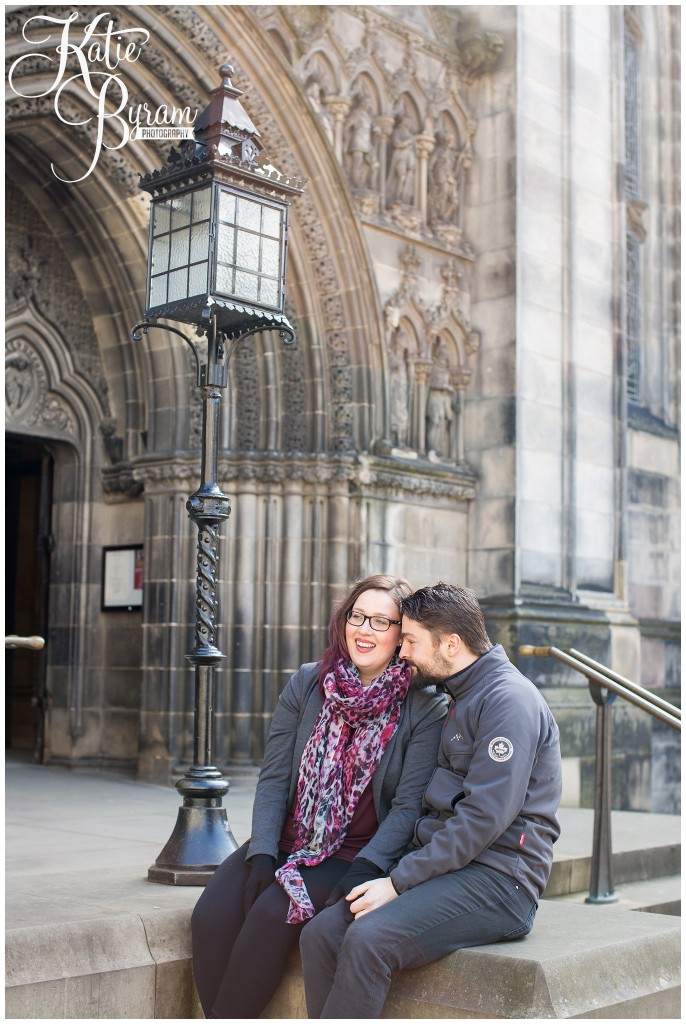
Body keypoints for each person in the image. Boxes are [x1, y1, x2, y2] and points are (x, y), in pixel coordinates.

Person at [300, 582, 563, 1019]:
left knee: (370, 939)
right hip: (449, 867)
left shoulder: (507, 701)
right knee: (322, 933)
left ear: (451, 644)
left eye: (410, 641)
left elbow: (482, 819)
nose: (401, 652)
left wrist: (399, 882)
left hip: (501, 881)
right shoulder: (460, 693)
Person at [191, 574, 447, 1019]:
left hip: (350, 854)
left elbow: (407, 808)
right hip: (291, 839)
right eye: (357, 616)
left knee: (271, 917)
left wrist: (368, 866)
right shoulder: (310, 682)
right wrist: (264, 855)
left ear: (401, 635)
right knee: (210, 917)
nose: (364, 630)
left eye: (381, 622)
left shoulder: (424, 705)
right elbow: (273, 779)